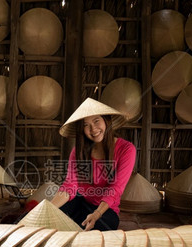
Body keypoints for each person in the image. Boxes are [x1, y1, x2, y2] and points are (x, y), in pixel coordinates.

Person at [50, 98, 136, 231]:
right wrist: (48, 209)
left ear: (106, 120)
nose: (93, 129)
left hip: (105, 211)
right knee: (42, 218)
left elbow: (116, 189)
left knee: (97, 229)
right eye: (85, 125)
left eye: (96, 121)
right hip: (80, 203)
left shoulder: (126, 149)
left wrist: (96, 214)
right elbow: (70, 185)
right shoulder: (78, 152)